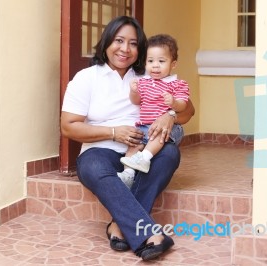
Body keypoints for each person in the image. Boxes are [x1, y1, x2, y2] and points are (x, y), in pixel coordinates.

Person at [61, 16, 195, 261]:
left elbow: (188, 112)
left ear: (140, 49)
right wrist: (114, 132)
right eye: (119, 41)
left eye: (133, 43)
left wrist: (171, 115)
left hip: (142, 148)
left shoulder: (151, 72)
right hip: (100, 149)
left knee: (169, 154)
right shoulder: (86, 78)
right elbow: (69, 127)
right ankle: (145, 232)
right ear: (106, 42)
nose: (125, 49)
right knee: (92, 166)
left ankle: (120, 226)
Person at [118, 34, 189, 188]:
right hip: (144, 126)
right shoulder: (144, 82)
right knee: (133, 145)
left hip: (169, 128)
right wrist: (134, 91)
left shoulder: (178, 84)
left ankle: (145, 157)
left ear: (173, 64)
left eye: (161, 61)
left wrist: (174, 103)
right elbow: (136, 101)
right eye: (150, 61)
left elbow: (184, 105)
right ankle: (128, 175)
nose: (155, 65)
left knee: (157, 134)